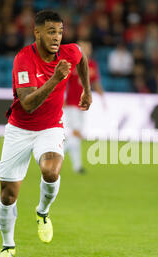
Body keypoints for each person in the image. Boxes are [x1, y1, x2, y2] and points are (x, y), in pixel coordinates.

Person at [0, 10, 92, 257]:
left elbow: (81, 59)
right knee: (8, 195)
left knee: (51, 171)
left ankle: (43, 212)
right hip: (19, 128)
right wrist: (55, 78)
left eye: (60, 32)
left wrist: (86, 90)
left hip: (50, 127)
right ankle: (8, 246)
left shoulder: (68, 52)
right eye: (51, 31)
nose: (57, 37)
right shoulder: (23, 60)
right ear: (36, 32)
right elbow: (27, 103)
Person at [63, 40, 105, 174]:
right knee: (76, 133)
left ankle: (76, 166)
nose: (86, 50)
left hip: (83, 105)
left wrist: (102, 97)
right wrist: (62, 99)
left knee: (75, 137)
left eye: (88, 48)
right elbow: (63, 82)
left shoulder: (92, 65)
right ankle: (54, 157)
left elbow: (95, 82)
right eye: (84, 48)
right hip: (70, 104)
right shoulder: (71, 64)